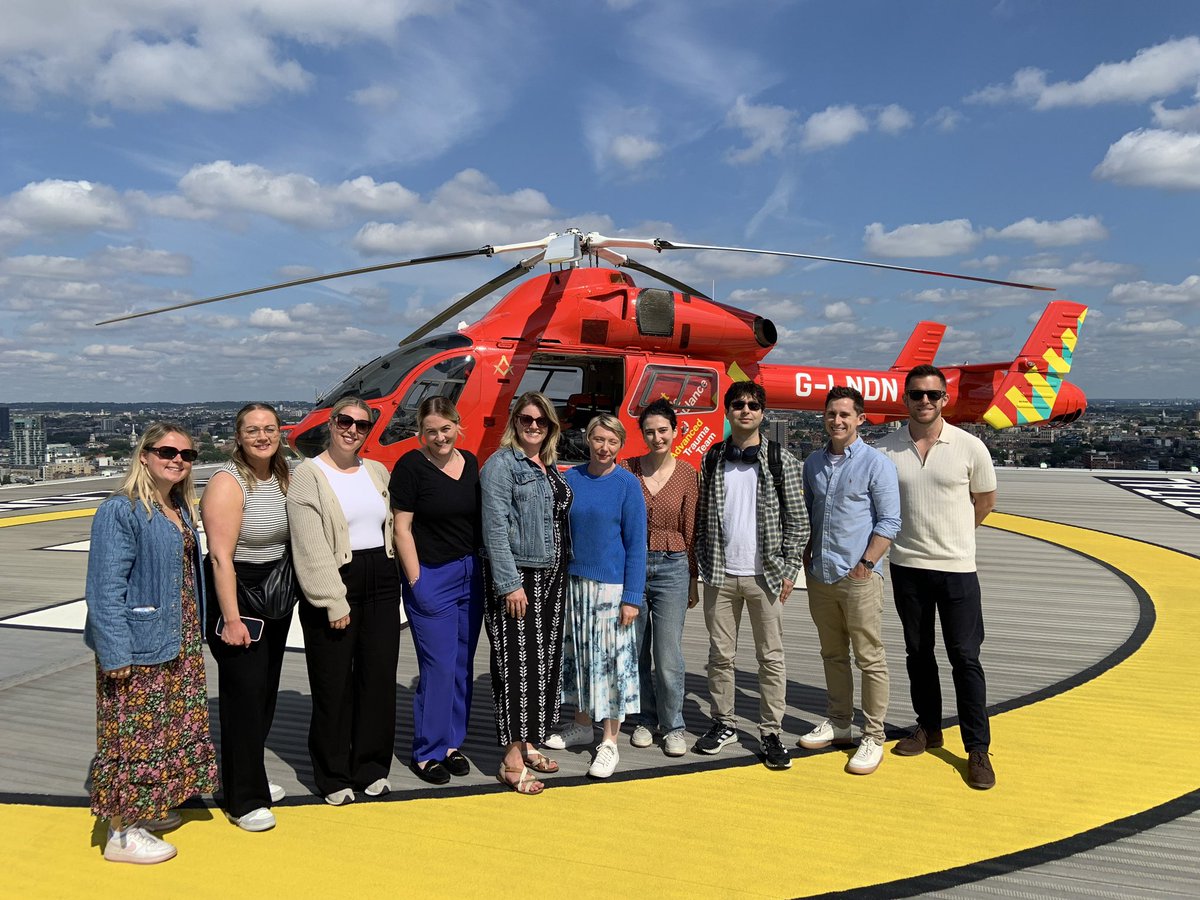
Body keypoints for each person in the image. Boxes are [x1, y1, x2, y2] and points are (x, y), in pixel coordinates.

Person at [84, 422, 218, 864]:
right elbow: (105, 588)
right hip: (138, 645)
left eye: (187, 454)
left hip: (176, 640)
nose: (177, 459)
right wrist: (114, 651)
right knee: (132, 736)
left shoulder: (177, 506)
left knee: (164, 733)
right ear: (144, 455)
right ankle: (122, 832)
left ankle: (146, 808)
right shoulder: (121, 510)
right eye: (167, 451)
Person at [876, 364, 998, 790]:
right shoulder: (886, 450)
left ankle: (977, 748)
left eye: (932, 394)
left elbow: (984, 502)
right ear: (905, 399)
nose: (924, 401)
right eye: (916, 394)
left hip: (957, 570)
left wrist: (956, 538)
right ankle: (928, 727)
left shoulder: (970, 447)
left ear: (944, 399)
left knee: (965, 657)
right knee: (918, 654)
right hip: (907, 566)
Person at [287, 396, 401, 805]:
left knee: (378, 678)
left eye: (362, 425)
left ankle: (371, 766)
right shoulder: (308, 475)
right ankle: (333, 774)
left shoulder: (376, 470)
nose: (352, 430)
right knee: (333, 683)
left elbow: (390, 527)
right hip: (337, 580)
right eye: (344, 421)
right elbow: (310, 546)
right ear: (330, 424)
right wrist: (333, 601)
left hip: (383, 581)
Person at [693, 381, 808, 770]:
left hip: (766, 576)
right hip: (720, 574)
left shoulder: (782, 460)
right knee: (720, 656)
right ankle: (722, 722)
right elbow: (702, 518)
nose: (745, 410)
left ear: (763, 412)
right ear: (727, 410)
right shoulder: (712, 459)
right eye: (738, 404)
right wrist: (702, 565)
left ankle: (771, 730)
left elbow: (799, 521)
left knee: (770, 658)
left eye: (753, 405)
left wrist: (789, 569)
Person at [797, 387, 900, 776]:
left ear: (860, 418)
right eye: (831, 414)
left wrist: (866, 564)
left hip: (858, 575)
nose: (836, 421)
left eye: (844, 415)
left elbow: (890, 520)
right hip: (821, 575)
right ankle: (840, 722)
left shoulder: (876, 463)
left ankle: (873, 734)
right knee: (832, 654)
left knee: (869, 657)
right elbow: (809, 512)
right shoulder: (814, 463)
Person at [201, 403, 294, 832]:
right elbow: (221, 558)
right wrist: (233, 619)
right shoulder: (228, 482)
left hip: (273, 594)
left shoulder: (281, 474)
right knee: (242, 697)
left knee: (263, 694)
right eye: (252, 430)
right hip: (237, 594)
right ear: (238, 437)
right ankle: (242, 799)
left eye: (269, 429)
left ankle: (248, 774)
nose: (262, 436)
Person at [545, 414, 647, 778]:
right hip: (574, 582)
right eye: (598, 439)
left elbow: (637, 545)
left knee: (611, 663)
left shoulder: (627, 485)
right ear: (588, 439)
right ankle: (582, 723)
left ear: (621, 445)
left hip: (611, 587)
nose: (604, 447)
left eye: (612, 442)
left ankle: (609, 741)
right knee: (579, 657)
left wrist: (632, 596)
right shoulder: (570, 479)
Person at [480, 391, 572, 795]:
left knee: (541, 668)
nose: (533, 426)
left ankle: (529, 743)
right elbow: (494, 529)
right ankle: (511, 761)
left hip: (550, 579)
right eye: (525, 419)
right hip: (519, 579)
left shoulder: (545, 464)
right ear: (514, 422)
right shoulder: (501, 466)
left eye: (541, 421)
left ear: (550, 427)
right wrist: (508, 583)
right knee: (517, 669)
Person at [390, 397, 483, 785]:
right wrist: (416, 581)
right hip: (432, 575)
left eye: (446, 428)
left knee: (461, 665)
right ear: (421, 432)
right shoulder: (411, 467)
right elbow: (402, 528)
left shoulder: (471, 463)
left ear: (457, 426)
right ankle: (427, 751)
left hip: (470, 574)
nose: (440, 437)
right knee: (438, 666)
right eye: (431, 430)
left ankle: (450, 743)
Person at [620, 399, 698, 758]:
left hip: (672, 566)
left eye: (662, 430)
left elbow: (691, 529)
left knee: (667, 654)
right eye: (649, 431)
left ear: (675, 430)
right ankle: (644, 720)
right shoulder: (627, 469)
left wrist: (693, 578)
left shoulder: (686, 474)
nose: (656, 437)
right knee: (635, 651)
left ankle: (674, 725)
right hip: (633, 566)